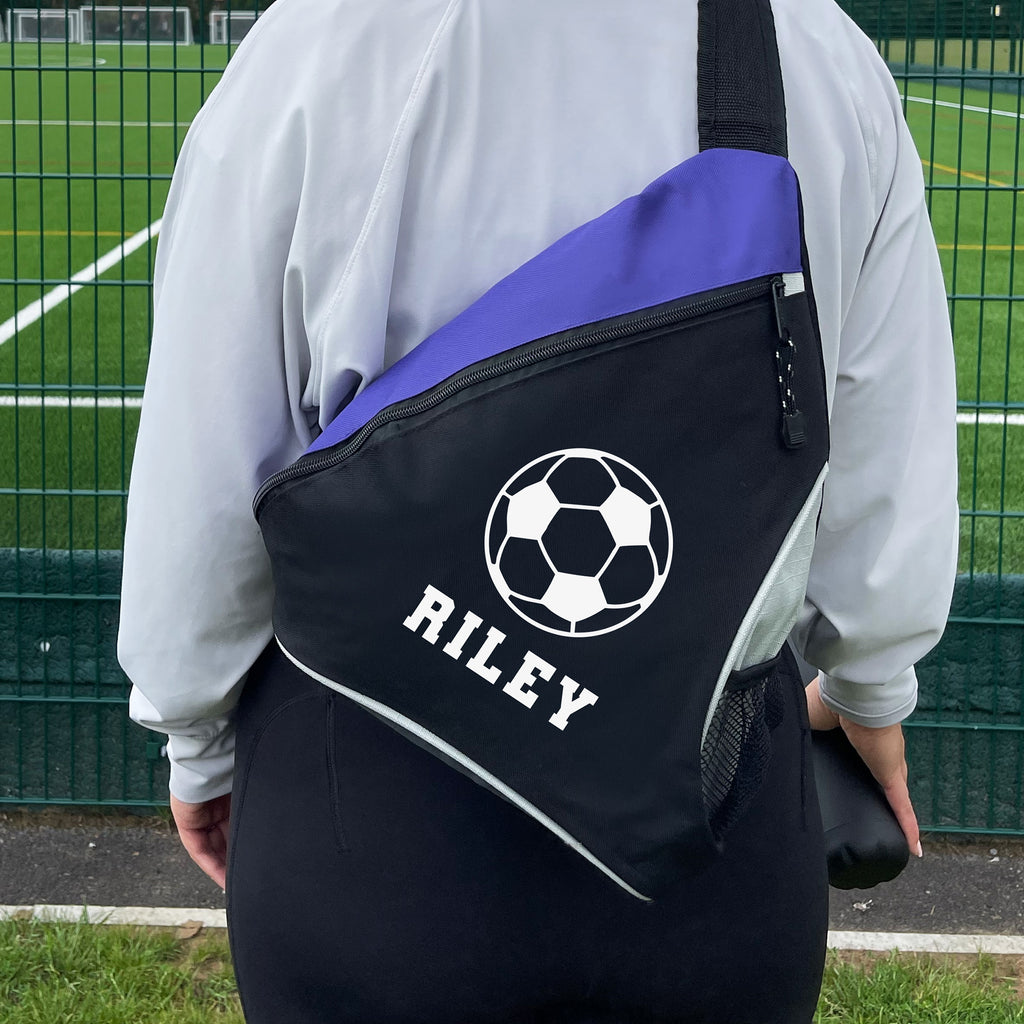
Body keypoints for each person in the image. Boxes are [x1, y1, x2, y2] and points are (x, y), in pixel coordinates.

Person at [118, 0, 959, 1020]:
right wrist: (869, 688)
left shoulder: (318, 40)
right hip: (709, 795)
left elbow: (208, 455)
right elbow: (881, 457)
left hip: (369, 795)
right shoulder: (816, 49)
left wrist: (195, 732)